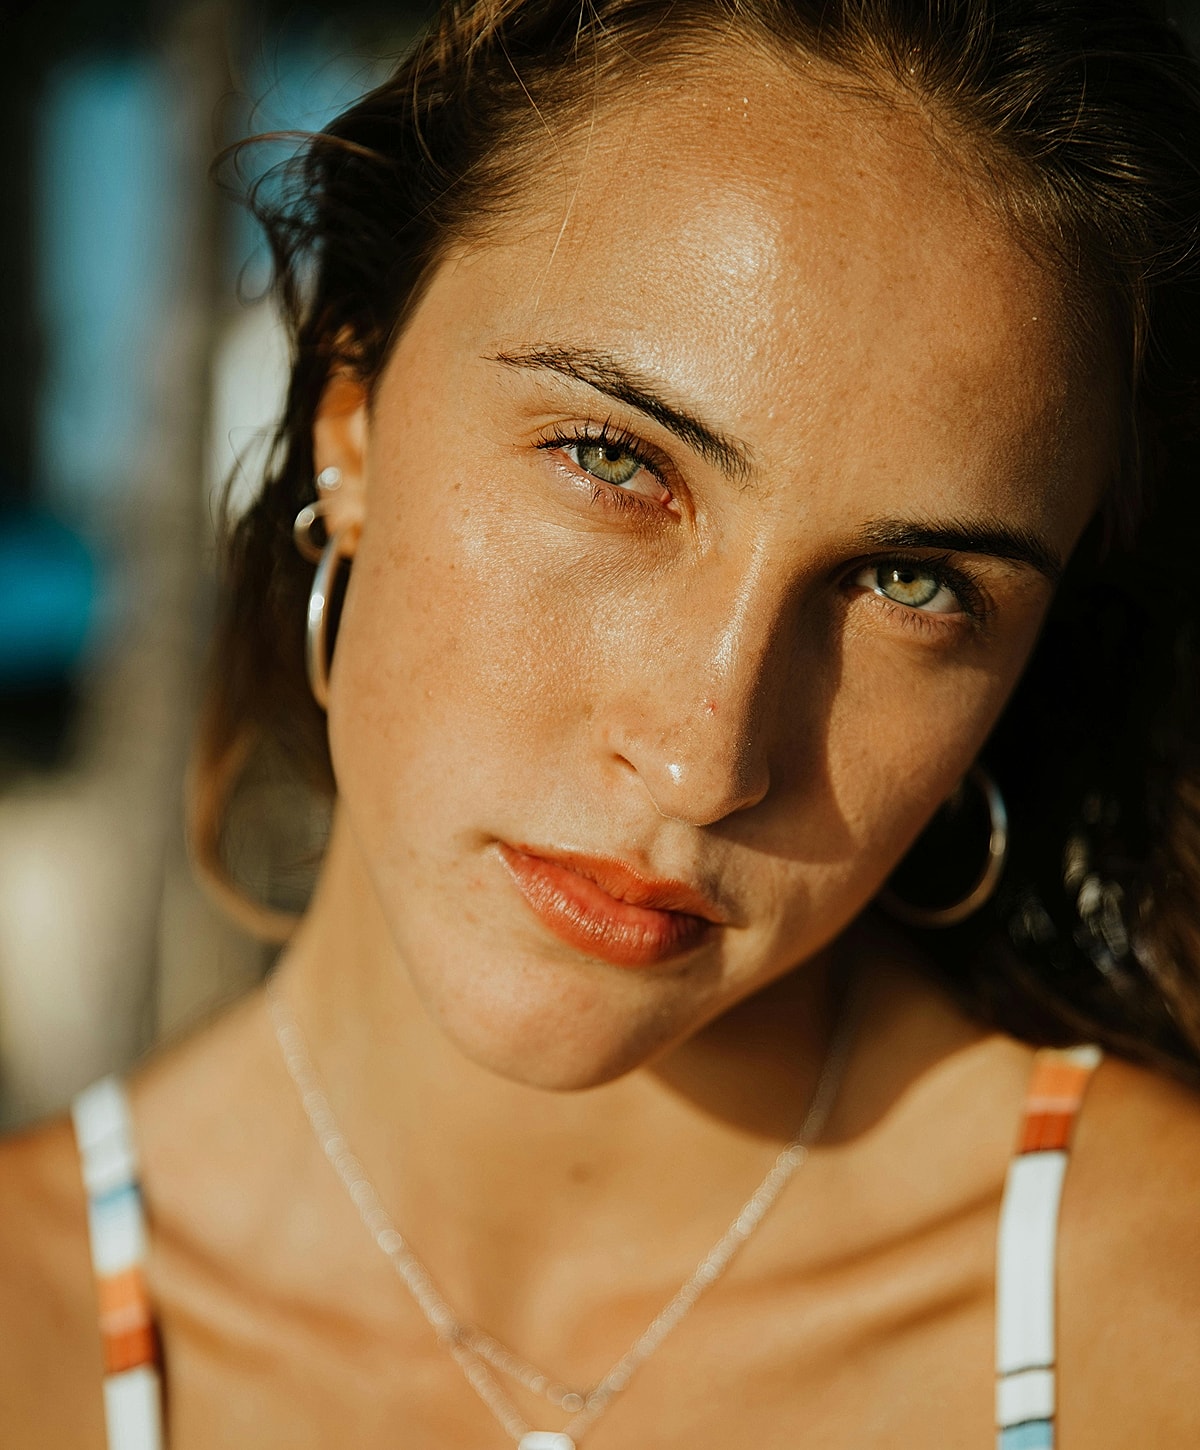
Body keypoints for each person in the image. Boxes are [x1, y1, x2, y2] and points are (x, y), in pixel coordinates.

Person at [3, 1, 1200, 1445]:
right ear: (349, 411)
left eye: (910, 581)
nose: (706, 757)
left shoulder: (1149, 1318)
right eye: (611, 458)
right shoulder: (33, 1341)